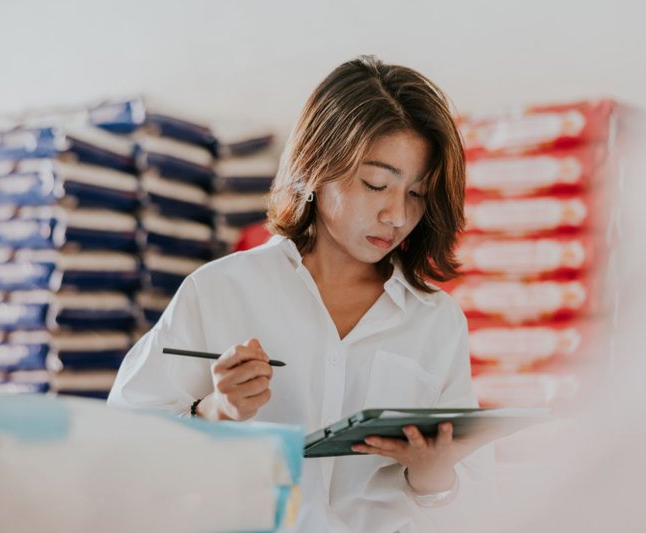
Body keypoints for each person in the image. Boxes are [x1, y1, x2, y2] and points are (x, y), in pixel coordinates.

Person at [108, 55, 492, 532]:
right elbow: (125, 446)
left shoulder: (436, 320)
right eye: (376, 184)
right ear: (316, 167)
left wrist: (433, 476)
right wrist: (215, 412)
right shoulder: (219, 292)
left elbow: (477, 500)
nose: (396, 215)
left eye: (417, 194)